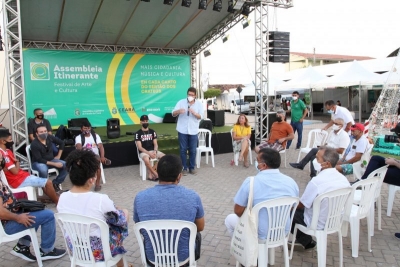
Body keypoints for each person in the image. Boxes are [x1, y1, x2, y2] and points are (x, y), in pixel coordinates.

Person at [57, 149, 128, 266]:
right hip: (99, 251)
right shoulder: (101, 199)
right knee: (123, 215)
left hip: (75, 248)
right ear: (91, 179)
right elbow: (120, 222)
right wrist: (122, 211)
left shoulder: (62, 198)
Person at [134, 154, 205, 266]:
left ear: (158, 172)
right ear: (179, 176)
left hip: (153, 259)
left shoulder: (140, 197)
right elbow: (200, 227)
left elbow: (140, 227)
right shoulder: (193, 196)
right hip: (183, 259)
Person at [0, 153, 66, 262]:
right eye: (1, 159)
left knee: (35, 210)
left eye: (2, 158)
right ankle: (47, 250)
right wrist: (18, 218)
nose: (3, 162)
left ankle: (22, 246)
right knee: (48, 215)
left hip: (11, 215)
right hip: (6, 225)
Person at [225, 148, 299, 239]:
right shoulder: (291, 182)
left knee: (229, 219)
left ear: (263, 165)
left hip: (258, 233)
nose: (256, 163)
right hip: (283, 230)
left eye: (257, 160)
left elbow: (238, 211)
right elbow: (292, 207)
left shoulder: (251, 182)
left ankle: (246, 250)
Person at [290, 146, 350, 250]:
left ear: (327, 164)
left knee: (288, 212)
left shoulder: (316, 181)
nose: (314, 161)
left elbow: (301, 205)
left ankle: (307, 241)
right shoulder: (343, 179)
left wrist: (289, 206)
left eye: (317, 158)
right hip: (335, 220)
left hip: (317, 222)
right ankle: (305, 240)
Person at [0, 130, 60, 204]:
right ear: (3, 141)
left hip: (22, 177)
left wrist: (16, 164)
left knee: (44, 182)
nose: (12, 141)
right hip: (17, 181)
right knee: (48, 182)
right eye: (10, 139)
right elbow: (15, 171)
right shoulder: (3, 155)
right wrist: (17, 163)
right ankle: (58, 202)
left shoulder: (8, 151)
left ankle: (53, 198)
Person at [172, 87, 204, 175]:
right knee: (183, 149)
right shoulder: (181, 102)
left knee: (193, 150)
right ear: (187, 94)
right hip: (182, 129)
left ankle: (192, 167)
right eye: (189, 94)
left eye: (192, 95)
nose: (190, 96)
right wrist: (178, 111)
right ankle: (184, 168)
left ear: (195, 95)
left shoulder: (199, 104)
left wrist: (194, 113)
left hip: (193, 130)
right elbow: (173, 113)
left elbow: (201, 116)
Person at [30, 125, 67, 192]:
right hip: (38, 162)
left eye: (45, 131)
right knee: (43, 169)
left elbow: (62, 143)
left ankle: (55, 183)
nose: (44, 133)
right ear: (37, 133)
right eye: (41, 132)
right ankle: (44, 187)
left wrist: (58, 156)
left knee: (66, 165)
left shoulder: (49, 137)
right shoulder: (34, 144)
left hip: (51, 160)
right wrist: (55, 164)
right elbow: (39, 159)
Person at [75, 121, 110, 191]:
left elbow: (101, 146)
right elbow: (79, 147)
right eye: (85, 128)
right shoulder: (78, 137)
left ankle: (97, 184)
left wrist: (102, 156)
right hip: (84, 156)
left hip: (95, 157)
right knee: (95, 160)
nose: (87, 130)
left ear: (90, 128)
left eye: (88, 128)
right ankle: (104, 161)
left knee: (97, 162)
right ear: (81, 129)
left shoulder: (95, 136)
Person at [135, 114, 165, 181]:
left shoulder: (152, 131)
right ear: (140, 122)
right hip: (144, 152)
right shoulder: (138, 133)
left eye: (146, 121)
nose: (145, 122)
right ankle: (154, 173)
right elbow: (139, 147)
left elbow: (155, 144)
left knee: (164, 158)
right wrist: (149, 153)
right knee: (146, 159)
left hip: (153, 150)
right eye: (143, 121)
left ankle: (150, 172)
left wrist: (155, 151)